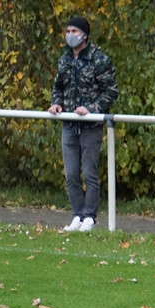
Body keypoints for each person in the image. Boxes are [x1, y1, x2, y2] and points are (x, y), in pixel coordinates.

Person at [48, 16, 118, 232]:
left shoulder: (99, 59)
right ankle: (77, 215)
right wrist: (56, 104)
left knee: (89, 173)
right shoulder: (64, 60)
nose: (70, 35)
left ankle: (89, 216)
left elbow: (111, 92)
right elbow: (58, 88)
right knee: (70, 175)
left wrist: (92, 108)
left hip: (90, 126)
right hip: (69, 125)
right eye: (67, 30)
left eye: (74, 31)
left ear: (84, 35)